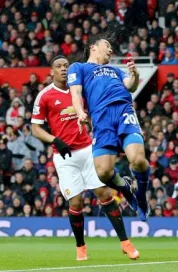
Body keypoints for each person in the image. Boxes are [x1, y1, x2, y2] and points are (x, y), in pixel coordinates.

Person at [31, 55, 140, 261]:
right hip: (64, 156)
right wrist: (55, 140)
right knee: (77, 202)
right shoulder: (44, 96)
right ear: (51, 72)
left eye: (66, 66)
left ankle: (125, 243)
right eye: (59, 66)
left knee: (104, 193)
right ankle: (80, 246)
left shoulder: (81, 89)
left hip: (88, 149)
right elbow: (36, 129)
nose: (64, 69)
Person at [67, 33, 151, 221]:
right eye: (107, 45)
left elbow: (130, 86)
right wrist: (80, 112)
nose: (111, 49)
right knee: (103, 173)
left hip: (123, 111)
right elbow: (76, 93)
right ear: (93, 47)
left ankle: (142, 196)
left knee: (137, 159)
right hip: (101, 118)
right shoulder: (78, 68)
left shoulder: (115, 70)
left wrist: (135, 75)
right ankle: (126, 190)